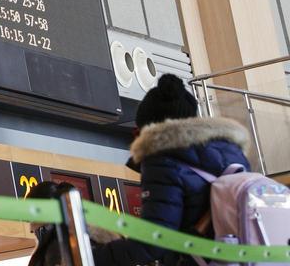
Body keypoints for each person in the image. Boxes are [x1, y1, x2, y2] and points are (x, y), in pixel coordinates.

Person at [95, 74, 249, 266]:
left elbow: (153, 242)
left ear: (147, 129)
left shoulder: (163, 161)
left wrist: (93, 257)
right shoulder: (233, 156)